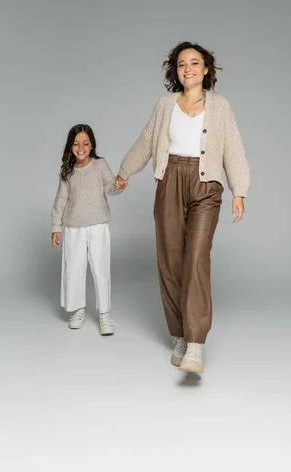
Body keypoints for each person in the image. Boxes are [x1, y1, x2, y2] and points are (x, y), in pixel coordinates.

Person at [115, 42, 250, 373]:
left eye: (195, 63)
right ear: (175, 72)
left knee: (197, 258)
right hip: (170, 179)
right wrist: (124, 172)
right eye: (181, 64)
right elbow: (147, 140)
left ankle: (195, 343)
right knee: (171, 260)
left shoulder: (221, 106)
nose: (188, 68)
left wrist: (239, 190)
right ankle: (178, 334)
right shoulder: (165, 105)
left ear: (207, 69)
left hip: (207, 185)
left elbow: (233, 146)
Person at [51, 124, 125, 335]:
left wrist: (118, 186)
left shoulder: (100, 165)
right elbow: (60, 199)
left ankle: (105, 315)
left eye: (85, 143)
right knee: (73, 268)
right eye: (76, 144)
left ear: (92, 145)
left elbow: (111, 187)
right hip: (74, 227)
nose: (80, 147)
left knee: (101, 268)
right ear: (70, 146)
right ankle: (77, 310)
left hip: (98, 225)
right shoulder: (67, 171)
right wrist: (56, 227)